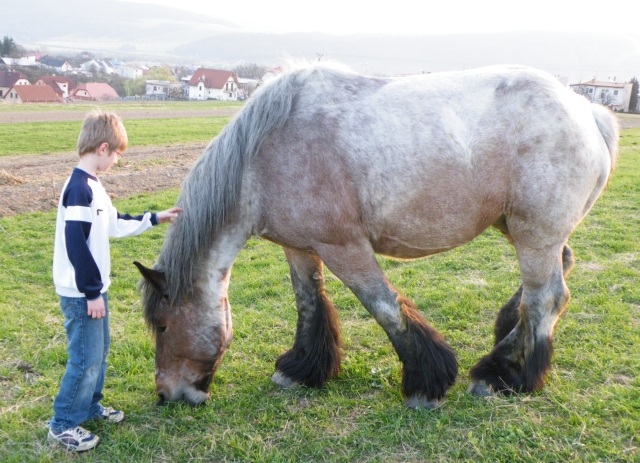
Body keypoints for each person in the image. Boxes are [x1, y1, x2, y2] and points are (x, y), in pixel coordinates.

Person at [48, 110, 182, 452]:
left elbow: (114, 222)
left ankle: (89, 406)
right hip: (83, 294)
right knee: (84, 358)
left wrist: (155, 217)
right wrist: (91, 292)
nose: (118, 161)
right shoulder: (78, 188)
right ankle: (63, 423)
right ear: (104, 148)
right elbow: (76, 243)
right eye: (118, 155)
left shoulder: (93, 186)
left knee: (99, 352)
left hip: (94, 290)